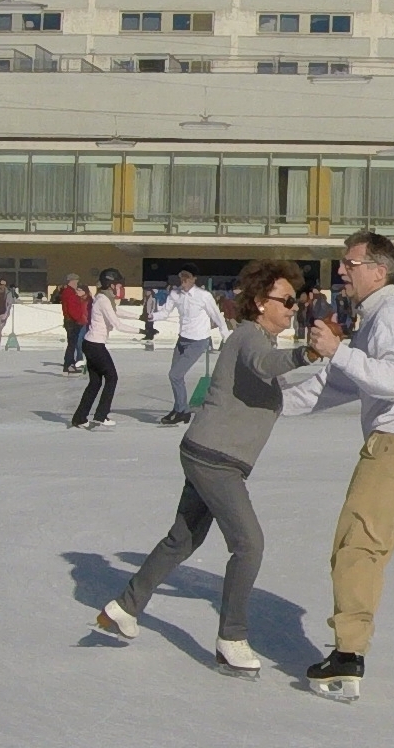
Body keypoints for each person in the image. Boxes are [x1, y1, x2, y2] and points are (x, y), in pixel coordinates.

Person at [97, 260, 315, 676]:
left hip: (208, 453)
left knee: (182, 540)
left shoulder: (260, 341)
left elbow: (277, 387)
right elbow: (266, 365)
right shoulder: (249, 337)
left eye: (295, 301)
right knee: (249, 544)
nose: (294, 307)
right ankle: (231, 638)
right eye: (287, 300)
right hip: (216, 460)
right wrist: (309, 352)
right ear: (260, 301)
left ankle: (124, 607)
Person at [282, 231, 394, 700]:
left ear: (379, 272)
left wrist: (338, 349)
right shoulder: (378, 321)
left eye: (351, 263)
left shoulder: (392, 317)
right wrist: (268, 403)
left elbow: (392, 381)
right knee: (370, 552)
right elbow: (336, 386)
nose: (342, 270)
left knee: (355, 548)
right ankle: (351, 645)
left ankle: (347, 655)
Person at [149, 264, 229, 426]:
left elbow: (216, 316)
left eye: (187, 277)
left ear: (194, 279)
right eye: (182, 277)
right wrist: (152, 316)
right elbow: (165, 312)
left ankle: (181, 411)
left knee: (175, 375)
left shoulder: (203, 296)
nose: (183, 280)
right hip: (182, 339)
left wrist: (225, 335)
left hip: (198, 341)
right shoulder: (175, 294)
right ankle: (180, 409)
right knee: (176, 377)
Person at [70, 269, 125, 429]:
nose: (119, 288)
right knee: (112, 377)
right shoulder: (103, 299)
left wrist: (141, 317)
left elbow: (116, 312)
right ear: (111, 284)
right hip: (95, 345)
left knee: (95, 382)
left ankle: (79, 418)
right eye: (117, 285)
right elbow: (117, 324)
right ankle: (101, 415)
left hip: (91, 344)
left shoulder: (103, 298)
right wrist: (143, 331)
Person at [60, 273, 86, 375]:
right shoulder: (69, 293)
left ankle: (69, 364)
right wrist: (79, 319)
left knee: (72, 344)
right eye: (76, 281)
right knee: (72, 344)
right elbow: (72, 309)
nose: (77, 284)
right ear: (72, 281)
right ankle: (68, 365)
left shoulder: (69, 292)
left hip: (71, 320)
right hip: (72, 321)